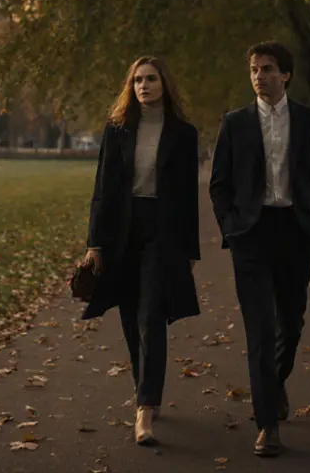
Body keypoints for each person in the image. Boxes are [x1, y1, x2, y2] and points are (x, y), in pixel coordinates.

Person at [209, 41, 310, 458]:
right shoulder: (235, 123)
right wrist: (231, 228)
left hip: (296, 233)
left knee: (290, 325)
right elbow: (219, 184)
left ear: (286, 75)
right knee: (260, 330)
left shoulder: (309, 122)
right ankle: (267, 425)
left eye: (268, 68)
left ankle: (274, 381)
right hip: (252, 236)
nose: (259, 75)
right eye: (254, 69)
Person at [79, 56, 201, 446]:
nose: (143, 86)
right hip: (122, 232)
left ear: (165, 83)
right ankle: (144, 388)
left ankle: (145, 410)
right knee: (131, 318)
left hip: (161, 232)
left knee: (152, 316)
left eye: (150, 79)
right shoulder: (116, 130)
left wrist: (190, 249)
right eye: (137, 81)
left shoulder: (183, 133)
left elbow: (186, 196)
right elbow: (102, 189)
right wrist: (94, 243)